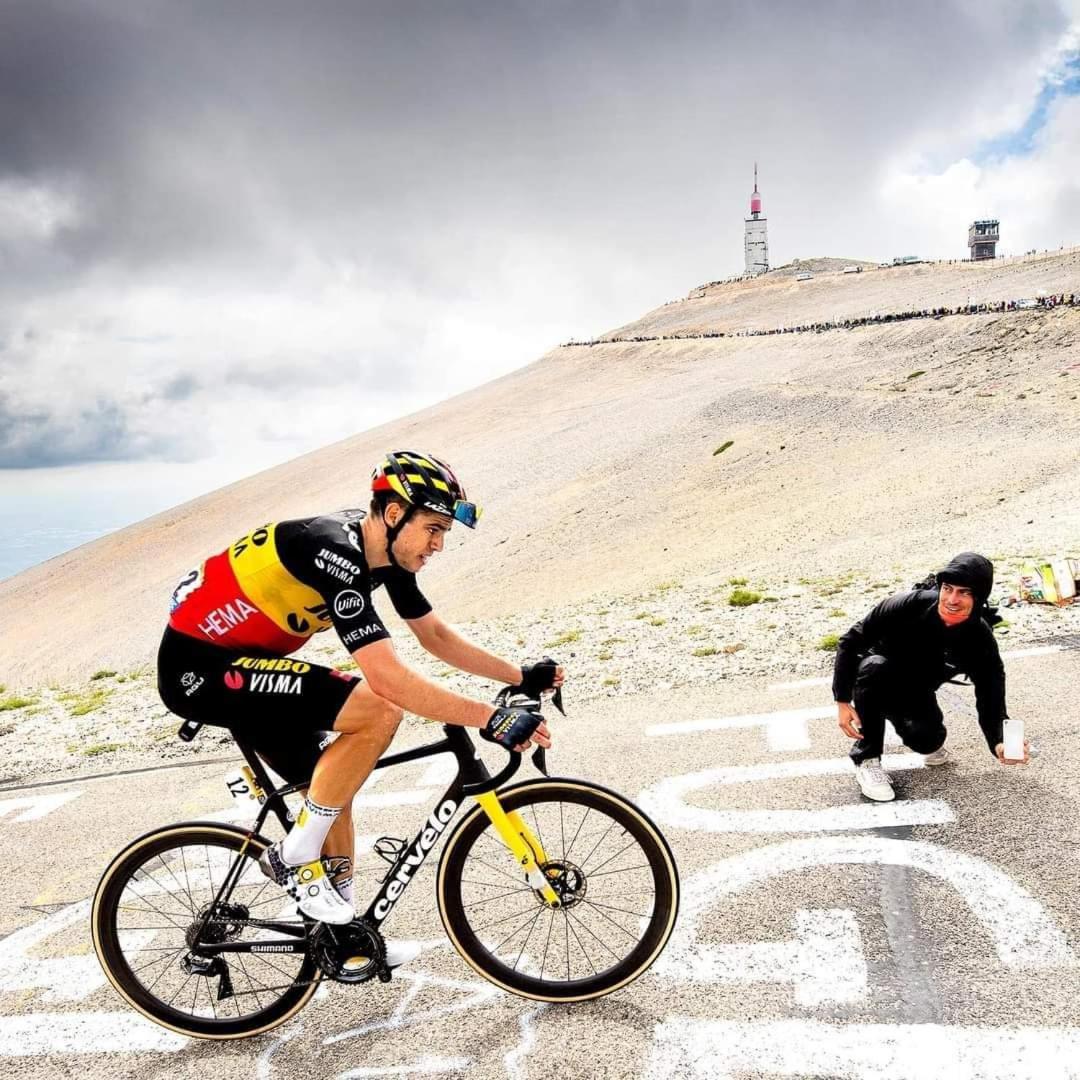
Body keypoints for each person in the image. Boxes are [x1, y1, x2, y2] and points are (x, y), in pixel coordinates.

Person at [158, 451, 563, 957]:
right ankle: (292, 855)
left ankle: (344, 935)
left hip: (248, 668)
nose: (438, 544)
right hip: (200, 672)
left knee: (333, 791)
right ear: (395, 515)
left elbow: (433, 634)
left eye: (444, 533)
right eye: (433, 529)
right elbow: (388, 679)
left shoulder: (385, 555)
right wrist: (490, 717)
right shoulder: (334, 552)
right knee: (377, 708)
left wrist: (518, 674)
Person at [833, 552, 1028, 802]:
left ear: (979, 597)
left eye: (964, 592)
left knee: (928, 742)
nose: (952, 599)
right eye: (948, 589)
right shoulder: (906, 605)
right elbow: (849, 643)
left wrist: (1000, 742)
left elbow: (990, 693)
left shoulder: (980, 638)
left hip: (918, 690)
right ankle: (867, 759)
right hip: (878, 679)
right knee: (874, 667)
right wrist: (842, 700)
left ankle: (920, 733)